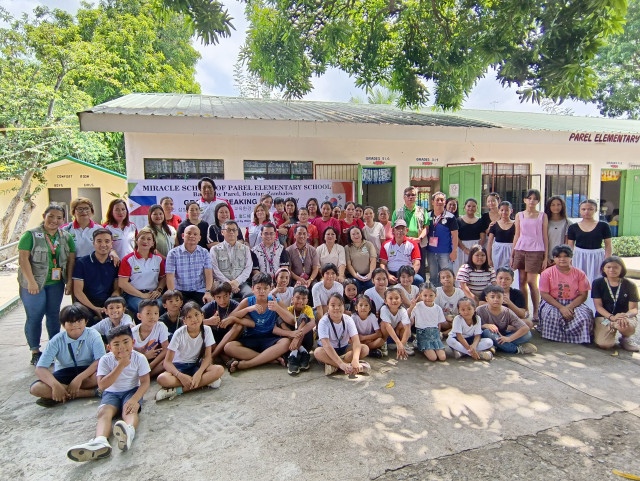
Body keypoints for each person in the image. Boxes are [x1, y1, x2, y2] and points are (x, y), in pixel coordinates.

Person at [66, 324, 150, 462]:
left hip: (132, 391)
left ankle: (128, 432)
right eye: (116, 344)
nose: (122, 347)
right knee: (104, 412)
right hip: (111, 393)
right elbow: (103, 385)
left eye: (125, 342)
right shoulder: (105, 360)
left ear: (133, 342)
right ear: (109, 347)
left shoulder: (139, 358)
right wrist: (121, 365)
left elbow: (145, 382)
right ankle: (100, 442)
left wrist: (135, 399)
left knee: (129, 410)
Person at [18, 204, 76, 365]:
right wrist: (31, 281)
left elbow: (71, 259)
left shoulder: (65, 236)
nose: (54, 220)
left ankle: (53, 347)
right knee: (35, 317)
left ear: (63, 219)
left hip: (56, 283)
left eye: (58, 217)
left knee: (53, 315)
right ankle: (35, 351)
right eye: (51, 216)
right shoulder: (30, 235)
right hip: (34, 284)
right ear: (44, 215)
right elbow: (23, 259)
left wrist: (69, 281)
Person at [30, 304, 105, 407]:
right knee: (36, 388)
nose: (75, 325)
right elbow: (40, 368)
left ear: (86, 321)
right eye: (70, 322)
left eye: (79, 321)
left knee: (102, 375)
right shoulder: (56, 340)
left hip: (87, 373)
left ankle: (60, 396)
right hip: (64, 372)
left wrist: (78, 379)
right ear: (63, 324)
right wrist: (55, 385)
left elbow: (100, 361)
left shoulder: (93, 334)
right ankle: (92, 393)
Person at [224, 272, 295, 374]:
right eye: (258, 288)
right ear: (252, 288)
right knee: (228, 347)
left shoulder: (276, 301)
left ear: (271, 288)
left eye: (265, 288)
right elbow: (231, 317)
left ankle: (247, 364)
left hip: (270, 338)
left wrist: (277, 308)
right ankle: (269, 359)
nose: (262, 291)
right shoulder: (247, 301)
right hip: (251, 338)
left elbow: (292, 321)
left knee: (286, 343)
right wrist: (248, 309)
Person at [155, 302, 224, 401]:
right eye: (189, 317)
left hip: (195, 365)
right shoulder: (179, 333)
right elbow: (167, 362)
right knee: (162, 378)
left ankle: (177, 391)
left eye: (196, 315)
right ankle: (203, 382)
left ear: (202, 315)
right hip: (179, 367)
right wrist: (180, 376)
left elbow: (208, 356)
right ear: (184, 321)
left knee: (219, 370)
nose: (194, 319)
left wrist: (199, 373)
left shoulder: (207, 330)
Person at [539, 245, 594, 344]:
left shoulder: (580, 274)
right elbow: (544, 294)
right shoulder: (546, 273)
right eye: (558, 257)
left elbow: (583, 295)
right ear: (554, 258)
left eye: (565, 256)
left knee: (583, 317)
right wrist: (561, 307)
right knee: (552, 316)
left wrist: (569, 307)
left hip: (574, 302)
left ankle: (579, 338)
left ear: (571, 257)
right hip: (553, 302)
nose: (562, 259)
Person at [511, 189, 548, 322]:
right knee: (522, 282)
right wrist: (513, 253)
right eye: (529, 198)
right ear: (525, 200)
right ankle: (525, 309)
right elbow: (517, 234)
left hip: (536, 250)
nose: (532, 201)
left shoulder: (542, 216)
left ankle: (536, 311)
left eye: (535, 198)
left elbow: (544, 236)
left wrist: (545, 255)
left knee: (533, 282)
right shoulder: (519, 215)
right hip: (521, 248)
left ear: (538, 201)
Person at [313, 293, 370, 376]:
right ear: (328, 307)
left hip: (344, 350)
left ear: (344, 307)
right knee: (317, 352)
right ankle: (346, 366)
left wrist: (355, 359)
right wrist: (341, 364)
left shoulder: (348, 319)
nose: (336, 308)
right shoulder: (323, 321)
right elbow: (326, 345)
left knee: (365, 348)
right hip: (328, 351)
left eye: (340, 305)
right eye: (333, 305)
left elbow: (356, 340)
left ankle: (334, 366)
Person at [73, 228, 120, 325]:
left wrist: (110, 306)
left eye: (107, 241)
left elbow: (117, 289)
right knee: (83, 315)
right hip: (86, 303)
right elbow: (78, 291)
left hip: (107, 302)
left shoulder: (115, 263)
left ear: (111, 244)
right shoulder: (82, 263)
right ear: (93, 243)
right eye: (99, 241)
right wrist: (94, 308)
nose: (103, 245)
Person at [592, 256, 639, 352]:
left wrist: (625, 316)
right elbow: (598, 306)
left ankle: (625, 338)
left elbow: (634, 309)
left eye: (616, 267)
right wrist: (612, 317)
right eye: (608, 267)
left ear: (622, 269)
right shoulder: (597, 283)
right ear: (603, 269)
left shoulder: (630, 285)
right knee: (604, 344)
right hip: (605, 317)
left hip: (624, 318)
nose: (612, 270)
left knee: (623, 324)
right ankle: (607, 332)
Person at [118, 227, 166, 315]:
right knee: (144, 309)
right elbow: (122, 283)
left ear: (153, 243)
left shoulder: (158, 259)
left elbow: (163, 278)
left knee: (161, 306)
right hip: (134, 294)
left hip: (153, 293)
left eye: (149, 239)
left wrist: (158, 290)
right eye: (142, 238)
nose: (145, 241)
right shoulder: (128, 259)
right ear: (137, 241)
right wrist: (142, 295)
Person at [478, 285, 537, 354]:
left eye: (499, 297)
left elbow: (525, 328)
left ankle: (496, 346)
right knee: (487, 332)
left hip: (503, 335)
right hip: (488, 336)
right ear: (487, 299)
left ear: (503, 299)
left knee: (527, 334)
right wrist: (485, 325)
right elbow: (472, 327)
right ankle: (516, 349)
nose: (496, 299)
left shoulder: (507, 311)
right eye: (492, 297)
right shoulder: (480, 310)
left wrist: (509, 338)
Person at [165, 224, 214, 305]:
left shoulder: (204, 252)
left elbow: (209, 274)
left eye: (195, 234)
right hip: (180, 292)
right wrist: (173, 296)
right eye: (189, 233)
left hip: (199, 291)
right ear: (183, 236)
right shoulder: (173, 253)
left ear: (199, 238)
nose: (192, 236)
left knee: (208, 308)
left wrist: (208, 292)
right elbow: (170, 277)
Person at [568, 199, 613, 285]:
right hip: (579, 256)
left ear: (595, 210)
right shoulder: (573, 227)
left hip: (597, 256)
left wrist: (607, 261)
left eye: (590, 209)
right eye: (583, 209)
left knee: (596, 280)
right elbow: (570, 246)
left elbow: (608, 245)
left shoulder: (603, 226)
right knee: (579, 281)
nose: (587, 212)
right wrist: (570, 261)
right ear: (580, 210)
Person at [421, 191, 459, 286]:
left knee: (447, 276)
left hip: (445, 252)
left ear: (445, 202)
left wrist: (454, 251)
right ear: (432, 202)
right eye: (437, 200)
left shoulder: (450, 217)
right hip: (431, 251)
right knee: (433, 276)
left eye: (442, 200)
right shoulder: (427, 215)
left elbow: (455, 236)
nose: (439, 202)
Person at [210, 220, 253, 299]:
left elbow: (248, 268)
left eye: (234, 230)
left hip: (241, 283)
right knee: (225, 297)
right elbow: (215, 270)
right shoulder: (215, 249)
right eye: (228, 230)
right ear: (222, 232)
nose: (231, 232)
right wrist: (229, 284)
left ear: (237, 232)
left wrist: (237, 282)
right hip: (222, 284)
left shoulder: (245, 249)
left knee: (250, 295)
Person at [280, 286, 316, 375]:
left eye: (304, 299)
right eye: (297, 298)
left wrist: (296, 339)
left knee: (303, 317)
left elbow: (312, 323)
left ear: (307, 300)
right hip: (291, 340)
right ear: (292, 299)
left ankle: (293, 354)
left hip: (306, 340)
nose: (300, 301)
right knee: (280, 319)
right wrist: (294, 336)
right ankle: (302, 352)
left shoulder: (307, 309)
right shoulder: (289, 310)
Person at [380, 219, 424, 286]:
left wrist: (410, 276)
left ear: (407, 231)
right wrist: (388, 275)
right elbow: (383, 264)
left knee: (419, 280)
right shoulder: (386, 245)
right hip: (391, 273)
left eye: (402, 229)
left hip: (407, 273)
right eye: (397, 228)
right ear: (393, 231)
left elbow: (417, 263)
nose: (400, 231)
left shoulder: (413, 244)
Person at [409, 283, 447, 361]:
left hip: (434, 334)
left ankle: (434, 347)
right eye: (425, 295)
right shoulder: (418, 306)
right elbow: (408, 316)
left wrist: (438, 334)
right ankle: (419, 344)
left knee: (442, 357)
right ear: (420, 295)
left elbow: (439, 323)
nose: (428, 298)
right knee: (433, 358)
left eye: (431, 295)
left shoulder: (438, 308)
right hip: (423, 334)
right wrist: (411, 307)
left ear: (435, 295)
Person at [204, 282, 240, 362]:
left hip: (231, 337)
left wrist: (233, 319)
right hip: (215, 338)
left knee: (239, 326)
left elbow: (250, 322)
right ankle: (226, 359)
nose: (222, 300)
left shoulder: (236, 305)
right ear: (213, 297)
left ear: (230, 294)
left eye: (225, 296)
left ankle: (213, 356)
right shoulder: (210, 306)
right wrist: (208, 321)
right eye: (218, 297)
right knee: (204, 328)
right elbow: (189, 322)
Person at [132, 299, 168, 377]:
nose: (152, 317)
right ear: (139, 316)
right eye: (148, 313)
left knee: (167, 360)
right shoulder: (132, 333)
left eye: (156, 313)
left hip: (154, 361)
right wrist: (145, 356)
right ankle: (142, 376)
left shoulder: (160, 326)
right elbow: (130, 355)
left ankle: (145, 376)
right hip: (139, 361)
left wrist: (150, 366)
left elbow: (166, 349)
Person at [454, 198, 486, 277]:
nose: (471, 208)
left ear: (477, 208)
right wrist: (464, 249)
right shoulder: (458, 220)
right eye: (469, 206)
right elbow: (456, 236)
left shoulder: (480, 221)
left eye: (473, 206)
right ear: (465, 207)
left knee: (475, 268)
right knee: (461, 268)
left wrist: (476, 250)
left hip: (476, 246)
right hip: (461, 248)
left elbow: (482, 237)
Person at [379, 287, 413, 359]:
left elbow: (407, 328)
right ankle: (384, 343)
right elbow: (388, 326)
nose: (394, 301)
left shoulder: (403, 310)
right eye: (390, 298)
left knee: (404, 324)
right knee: (383, 324)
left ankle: (404, 344)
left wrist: (401, 344)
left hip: (396, 330)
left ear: (401, 300)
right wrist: (398, 343)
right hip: (387, 332)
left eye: (397, 298)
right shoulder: (384, 309)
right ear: (385, 301)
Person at [345, 225, 377, 291]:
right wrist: (356, 276)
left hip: (368, 275)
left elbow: (373, 259)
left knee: (372, 285)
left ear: (361, 234)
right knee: (355, 286)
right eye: (353, 234)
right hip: (354, 276)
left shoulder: (369, 244)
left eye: (358, 233)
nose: (356, 235)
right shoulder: (347, 247)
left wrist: (371, 273)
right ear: (350, 236)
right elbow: (348, 264)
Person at [435, 268, 465, 333]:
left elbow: (463, 309)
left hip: (456, 318)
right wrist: (445, 317)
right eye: (443, 278)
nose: (446, 279)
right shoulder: (437, 291)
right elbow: (434, 310)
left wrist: (455, 318)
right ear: (440, 280)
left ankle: (444, 334)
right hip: (442, 320)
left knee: (463, 322)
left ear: (454, 278)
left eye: (448, 276)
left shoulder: (460, 292)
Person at [487, 201, 515, 270]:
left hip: (511, 250)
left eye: (506, 210)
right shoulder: (494, 225)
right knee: (497, 272)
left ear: (511, 211)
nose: (504, 212)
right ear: (498, 211)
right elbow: (490, 243)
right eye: (502, 210)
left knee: (510, 272)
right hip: (497, 251)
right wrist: (489, 258)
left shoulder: (515, 224)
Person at [545, 196, 572, 267]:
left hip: (561, 259)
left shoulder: (567, 223)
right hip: (546, 257)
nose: (556, 207)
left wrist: (560, 257)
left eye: (558, 204)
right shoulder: (544, 222)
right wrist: (545, 257)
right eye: (553, 205)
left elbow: (567, 243)